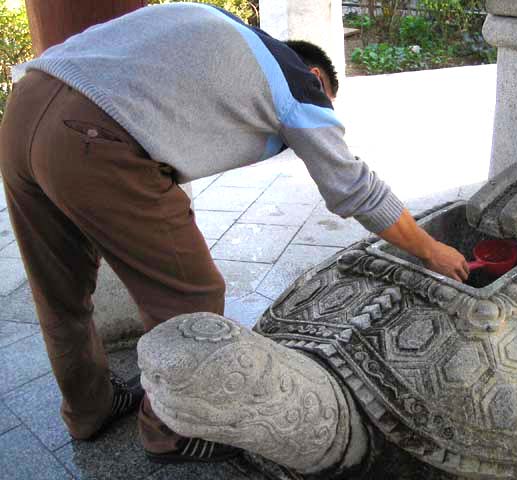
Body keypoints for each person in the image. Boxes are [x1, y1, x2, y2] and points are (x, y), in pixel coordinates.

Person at [0, 2, 469, 464]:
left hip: (24, 108)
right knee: (191, 294)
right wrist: (430, 249)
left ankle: (88, 409)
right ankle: (170, 432)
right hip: (93, 139)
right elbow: (354, 187)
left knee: (59, 292)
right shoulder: (298, 81)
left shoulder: (219, 27)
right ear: (317, 76)